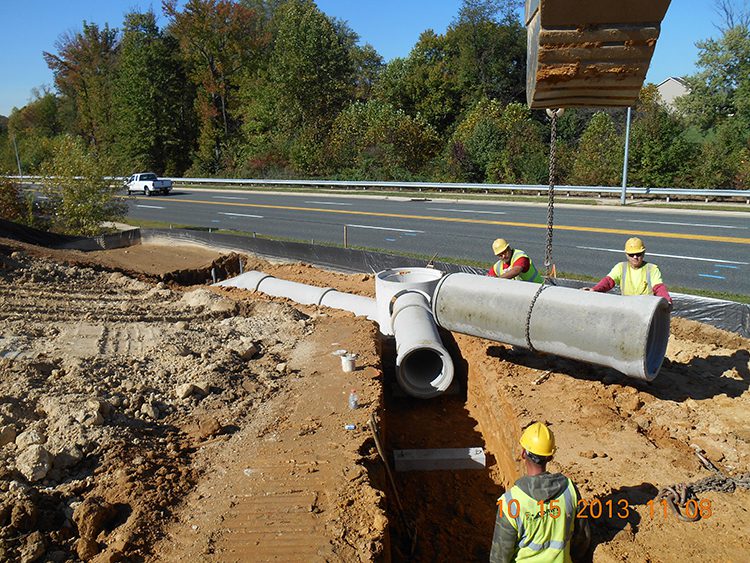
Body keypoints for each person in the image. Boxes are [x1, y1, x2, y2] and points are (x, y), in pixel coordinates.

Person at [490, 422, 590, 562]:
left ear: (523, 453)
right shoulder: (569, 490)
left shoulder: (510, 503)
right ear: (550, 457)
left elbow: (499, 558)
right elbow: (582, 540)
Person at [583, 237, 672, 307]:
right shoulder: (621, 267)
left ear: (643, 253)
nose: (635, 257)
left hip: (646, 311)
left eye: (638, 254)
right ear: (626, 255)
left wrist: (666, 300)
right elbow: (608, 282)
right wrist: (595, 289)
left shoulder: (652, 269)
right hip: (627, 309)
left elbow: (659, 287)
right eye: (631, 255)